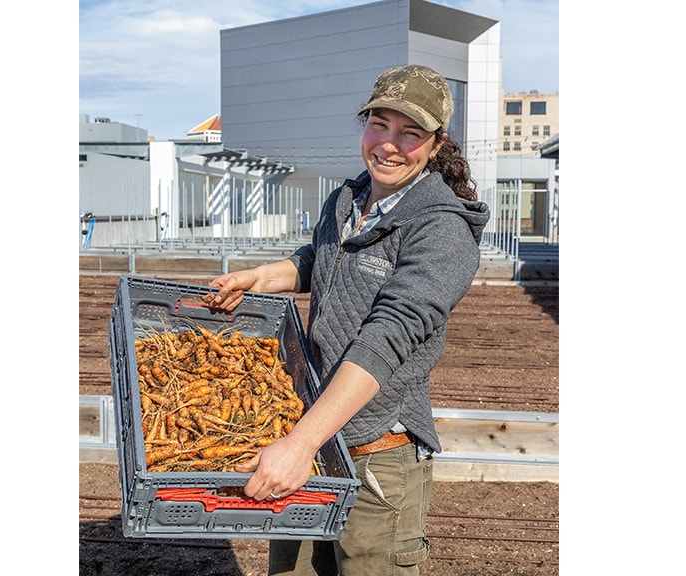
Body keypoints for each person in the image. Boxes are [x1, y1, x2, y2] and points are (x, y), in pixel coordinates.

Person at [207, 64, 489, 576]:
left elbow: (388, 338)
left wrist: (299, 444)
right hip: (313, 432)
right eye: (379, 124)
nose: (388, 144)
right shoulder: (348, 200)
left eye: (410, 133)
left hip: (376, 453)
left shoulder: (442, 231)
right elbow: (320, 260)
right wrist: (259, 278)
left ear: (436, 143)